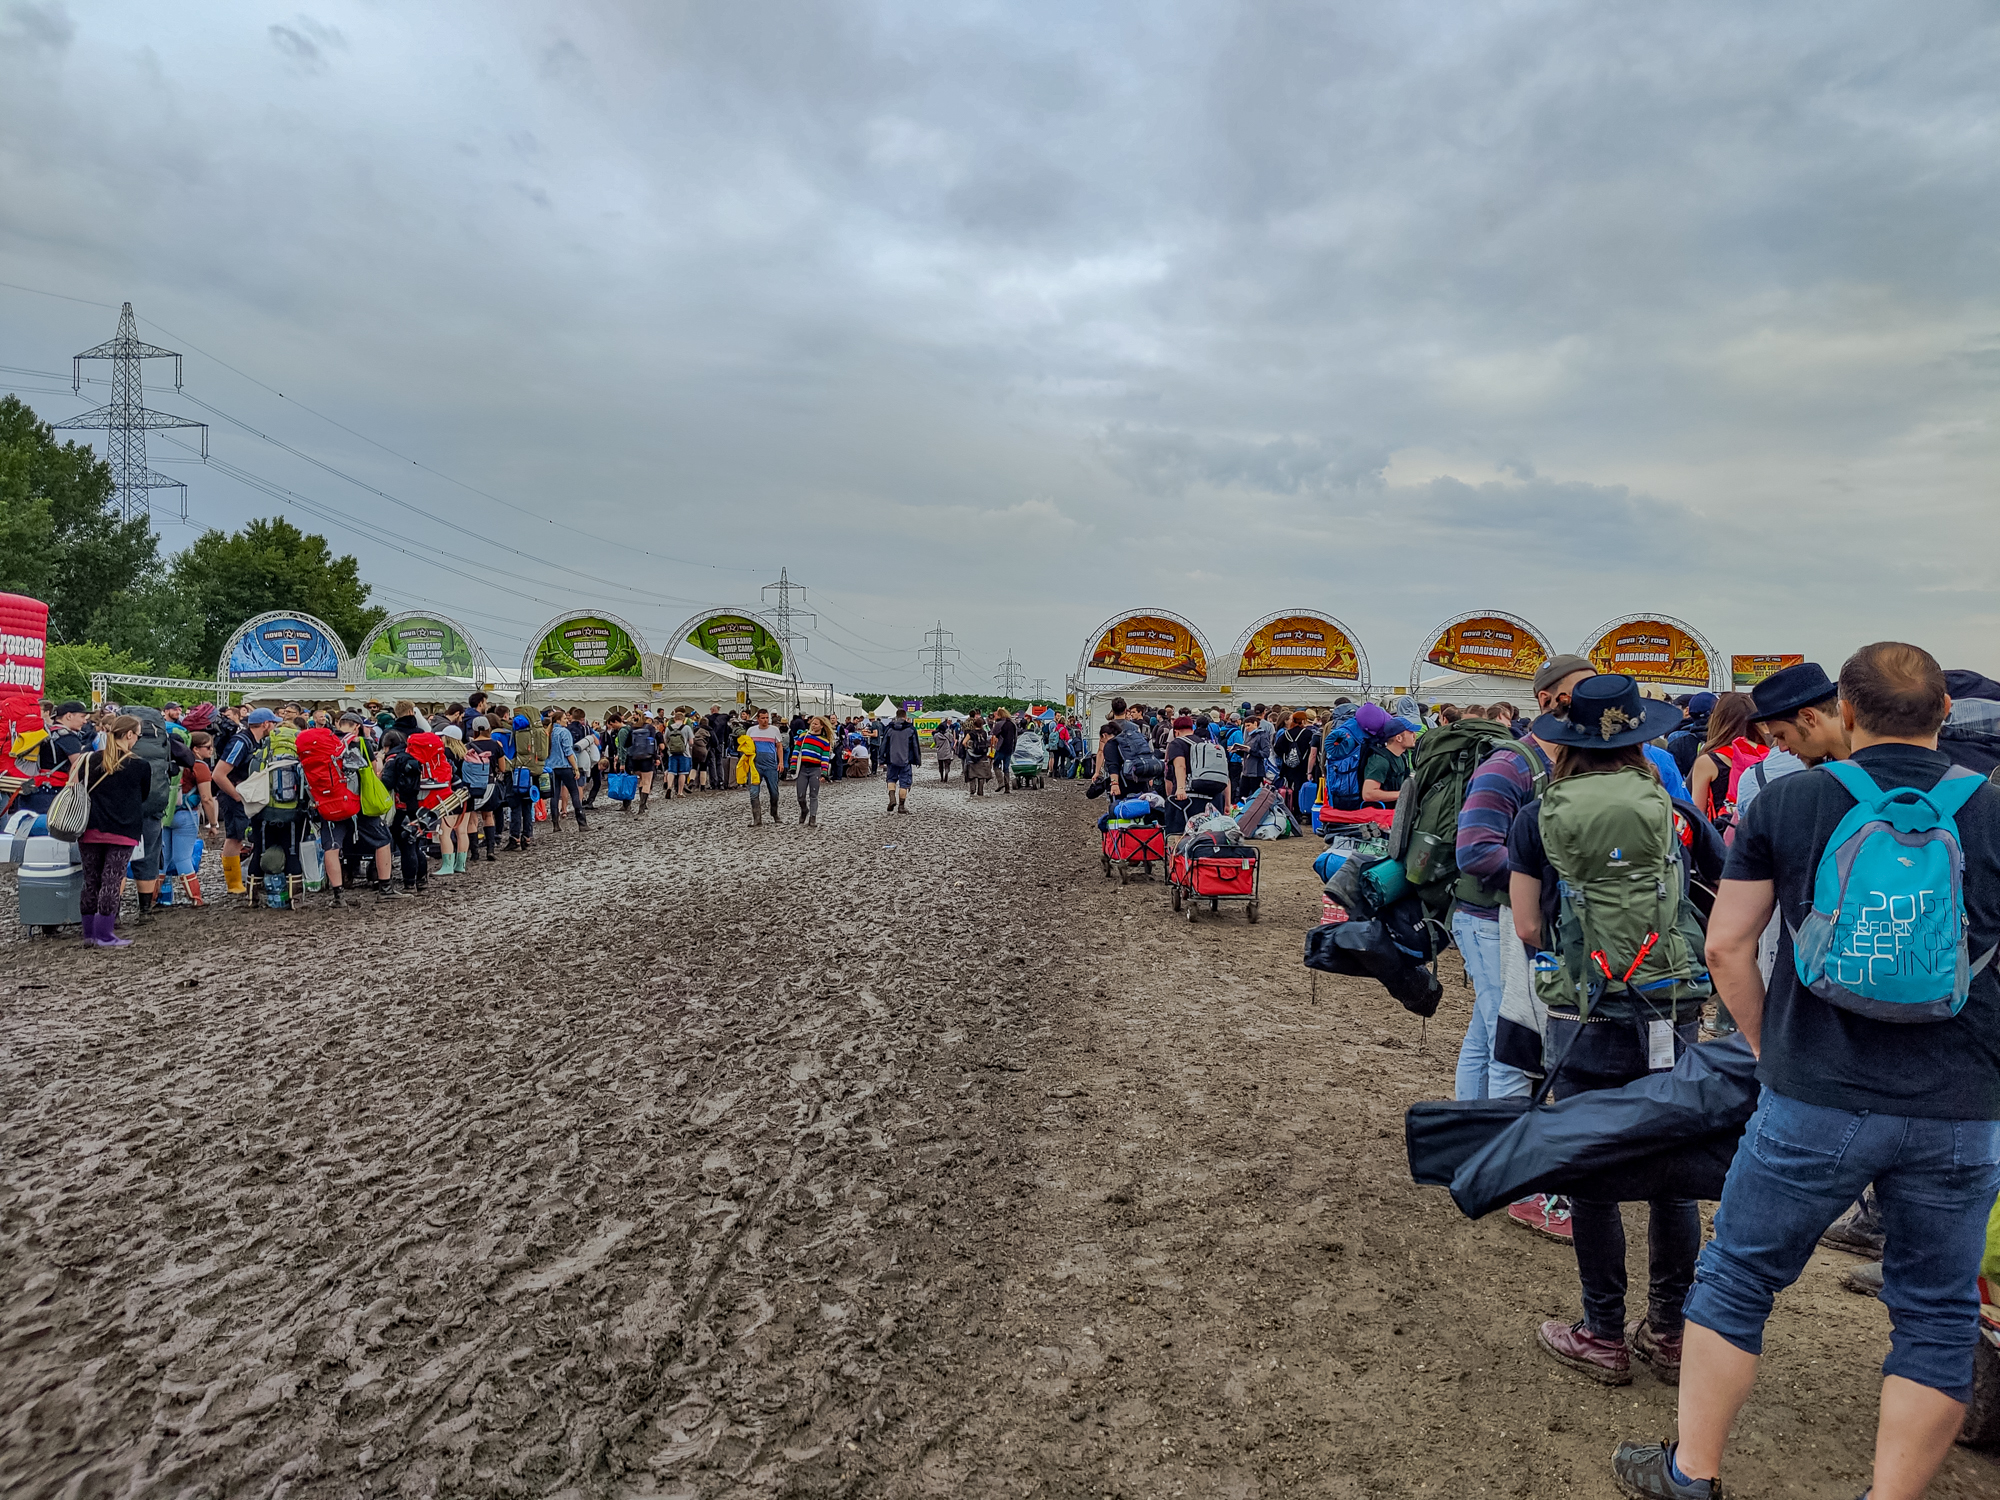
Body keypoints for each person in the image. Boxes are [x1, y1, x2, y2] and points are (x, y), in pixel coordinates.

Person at [1615, 642, 2000, 1500]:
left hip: (1814, 1091)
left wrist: (1769, 1047)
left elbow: (1726, 946)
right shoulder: (1994, 809)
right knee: (1935, 1314)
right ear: (1945, 712)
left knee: (1739, 1277)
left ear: (1847, 713)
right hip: (1962, 1104)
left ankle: (1692, 1474)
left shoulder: (1789, 802)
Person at [1508, 675, 1720, 1390]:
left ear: (1566, 744)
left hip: (1583, 1014)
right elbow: (1723, 895)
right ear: (1640, 742)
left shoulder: (1538, 816)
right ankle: (1671, 1332)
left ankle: (1601, 1333)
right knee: (1674, 1182)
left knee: (1591, 1176)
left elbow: (1528, 925)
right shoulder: (1675, 812)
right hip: (1671, 1010)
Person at [1453, 652, 1597, 1240]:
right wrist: (1549, 878)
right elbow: (1473, 849)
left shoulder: (1565, 765)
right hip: (1493, 920)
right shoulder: (1511, 764)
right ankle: (1518, 1185)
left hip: (1514, 920)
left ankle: (1471, 1153)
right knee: (1515, 1045)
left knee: (1488, 1035)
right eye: (1581, 691)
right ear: (1547, 700)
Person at [69, 714, 151, 947]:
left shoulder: (89, 759)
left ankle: (89, 934)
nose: (137, 739)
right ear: (129, 734)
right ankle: (105, 934)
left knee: (91, 881)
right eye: (138, 735)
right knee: (111, 881)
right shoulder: (140, 766)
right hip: (123, 829)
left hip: (89, 827)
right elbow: (143, 796)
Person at [210, 707, 278, 899]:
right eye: (273, 723)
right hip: (234, 795)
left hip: (244, 794)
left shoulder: (254, 741)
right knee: (234, 837)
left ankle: (239, 880)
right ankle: (233, 883)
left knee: (240, 835)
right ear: (265, 724)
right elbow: (218, 774)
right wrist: (236, 796)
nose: (275, 727)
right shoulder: (241, 742)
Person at [1686, 691, 1761, 830]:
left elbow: (1698, 815)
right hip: (1760, 832)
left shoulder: (1708, 761)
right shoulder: (1766, 753)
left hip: (1723, 833)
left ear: (1718, 719)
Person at [543, 709, 586, 833]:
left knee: (554, 795)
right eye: (565, 718)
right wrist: (575, 768)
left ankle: (555, 824)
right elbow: (568, 752)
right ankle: (582, 823)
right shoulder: (564, 732)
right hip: (564, 766)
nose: (567, 720)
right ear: (558, 720)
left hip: (551, 768)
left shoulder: (548, 732)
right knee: (574, 793)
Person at [1360, 718, 1419, 808]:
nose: (1415, 735)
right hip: (1383, 814)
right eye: (1411, 732)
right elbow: (1368, 794)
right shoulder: (1380, 761)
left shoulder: (1402, 757)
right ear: (1398, 738)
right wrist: (1403, 794)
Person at [744, 708, 784, 823]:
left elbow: (779, 746)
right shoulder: (751, 731)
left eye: (767, 718)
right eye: (763, 718)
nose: (765, 720)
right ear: (757, 719)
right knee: (753, 792)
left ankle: (774, 812)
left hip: (771, 765)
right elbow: (747, 747)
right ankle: (757, 818)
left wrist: (781, 762)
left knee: (774, 792)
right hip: (755, 765)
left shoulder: (774, 730)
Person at [882, 705, 922, 813]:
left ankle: (892, 798)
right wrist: (917, 760)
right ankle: (901, 806)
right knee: (904, 783)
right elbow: (915, 746)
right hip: (905, 761)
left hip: (891, 760)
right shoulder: (911, 729)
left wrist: (882, 759)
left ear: (896, 716)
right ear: (905, 716)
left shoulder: (889, 728)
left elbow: (884, 744)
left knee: (891, 779)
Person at [793, 715, 832, 827]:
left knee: (813, 795)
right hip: (802, 769)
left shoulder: (825, 741)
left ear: (821, 726)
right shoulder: (804, 736)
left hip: (815, 769)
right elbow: (796, 751)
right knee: (800, 796)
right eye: (812, 723)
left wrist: (824, 772)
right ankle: (804, 810)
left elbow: (825, 758)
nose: (813, 725)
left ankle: (813, 817)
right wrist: (793, 766)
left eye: (816, 724)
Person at [623, 711, 659, 813]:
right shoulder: (650, 728)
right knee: (647, 782)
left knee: (641, 781)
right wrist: (656, 757)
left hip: (634, 759)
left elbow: (627, 744)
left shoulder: (633, 728)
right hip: (647, 758)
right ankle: (642, 807)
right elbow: (652, 744)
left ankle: (642, 803)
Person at [663, 710, 694, 801]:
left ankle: (669, 787)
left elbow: (665, 740)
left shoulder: (669, 728)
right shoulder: (687, 728)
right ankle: (680, 792)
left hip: (672, 753)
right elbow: (691, 742)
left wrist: (670, 747)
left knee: (671, 771)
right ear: (683, 719)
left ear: (674, 719)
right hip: (684, 753)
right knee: (682, 773)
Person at [962, 712, 994, 797]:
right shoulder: (984, 733)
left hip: (972, 755)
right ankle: (980, 790)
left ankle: (972, 789)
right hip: (982, 755)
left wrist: (968, 748)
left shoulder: (971, 733)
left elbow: (964, 742)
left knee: (972, 772)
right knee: (981, 773)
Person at [992, 709, 1018, 794]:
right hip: (1009, 748)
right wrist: (1013, 748)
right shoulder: (1013, 724)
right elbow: (1015, 737)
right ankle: (1007, 787)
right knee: (1006, 768)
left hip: (1001, 748)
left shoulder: (999, 724)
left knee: (996, 765)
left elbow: (993, 735)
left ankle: (1001, 783)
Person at [933, 717, 959, 782]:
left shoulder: (935, 736)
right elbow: (952, 740)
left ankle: (941, 777)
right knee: (947, 765)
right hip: (947, 752)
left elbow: (935, 743)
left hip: (940, 752)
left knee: (940, 766)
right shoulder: (948, 735)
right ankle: (946, 775)